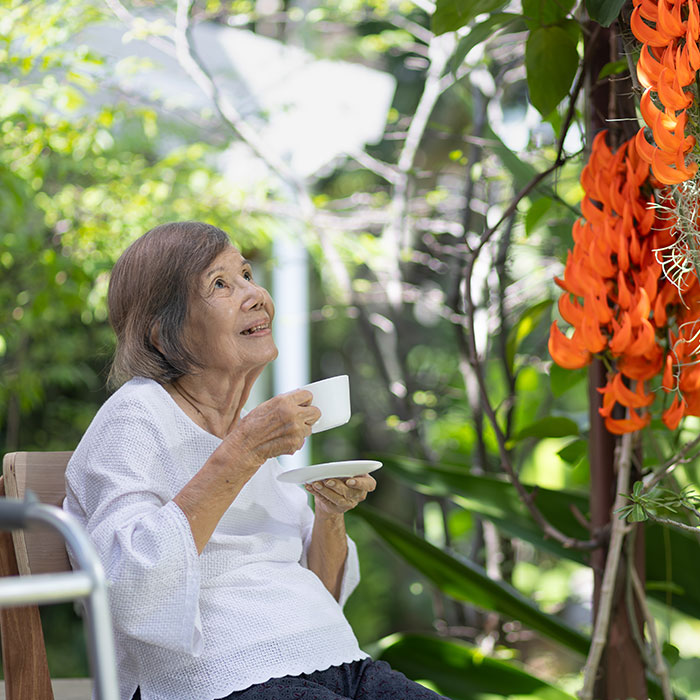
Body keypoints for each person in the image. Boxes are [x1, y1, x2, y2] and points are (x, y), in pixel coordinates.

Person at [64, 222, 450, 700]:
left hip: (330, 657)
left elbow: (322, 595)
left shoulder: (250, 427)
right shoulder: (135, 416)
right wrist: (242, 451)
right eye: (220, 284)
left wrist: (329, 514)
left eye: (246, 274)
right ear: (164, 334)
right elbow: (129, 588)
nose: (255, 294)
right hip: (213, 677)